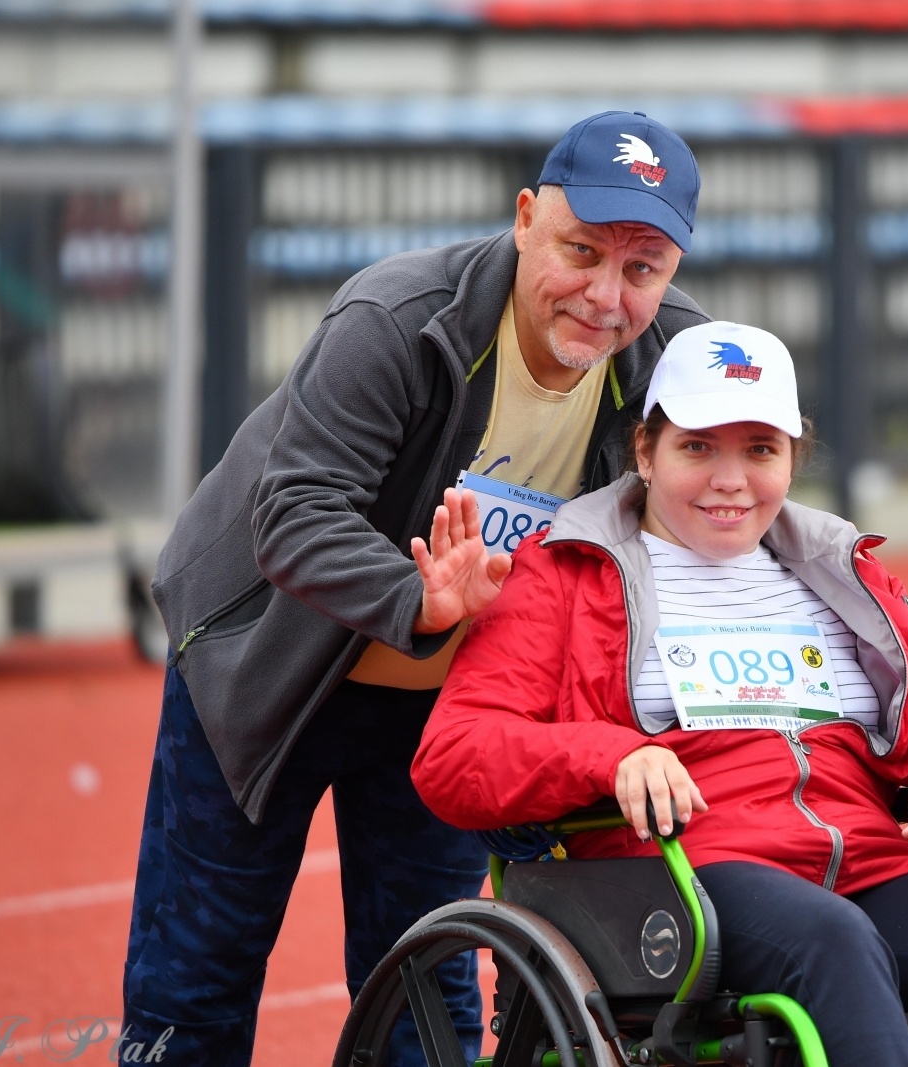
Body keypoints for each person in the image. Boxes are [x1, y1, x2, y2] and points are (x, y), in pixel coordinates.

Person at [124, 111, 708, 1065]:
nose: (605, 296)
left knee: (427, 1000)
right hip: (268, 663)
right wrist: (420, 600)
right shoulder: (396, 319)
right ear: (524, 219)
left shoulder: (676, 366)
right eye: (581, 250)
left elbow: (729, 513)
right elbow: (295, 514)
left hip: (444, 707)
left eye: (642, 269)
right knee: (196, 982)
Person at [413, 321, 908, 1067]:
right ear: (646, 453)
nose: (731, 479)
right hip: (686, 881)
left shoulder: (836, 571)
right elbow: (455, 754)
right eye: (698, 447)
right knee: (833, 940)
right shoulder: (563, 575)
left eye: (760, 450)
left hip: (873, 866)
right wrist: (613, 756)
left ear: (792, 458)